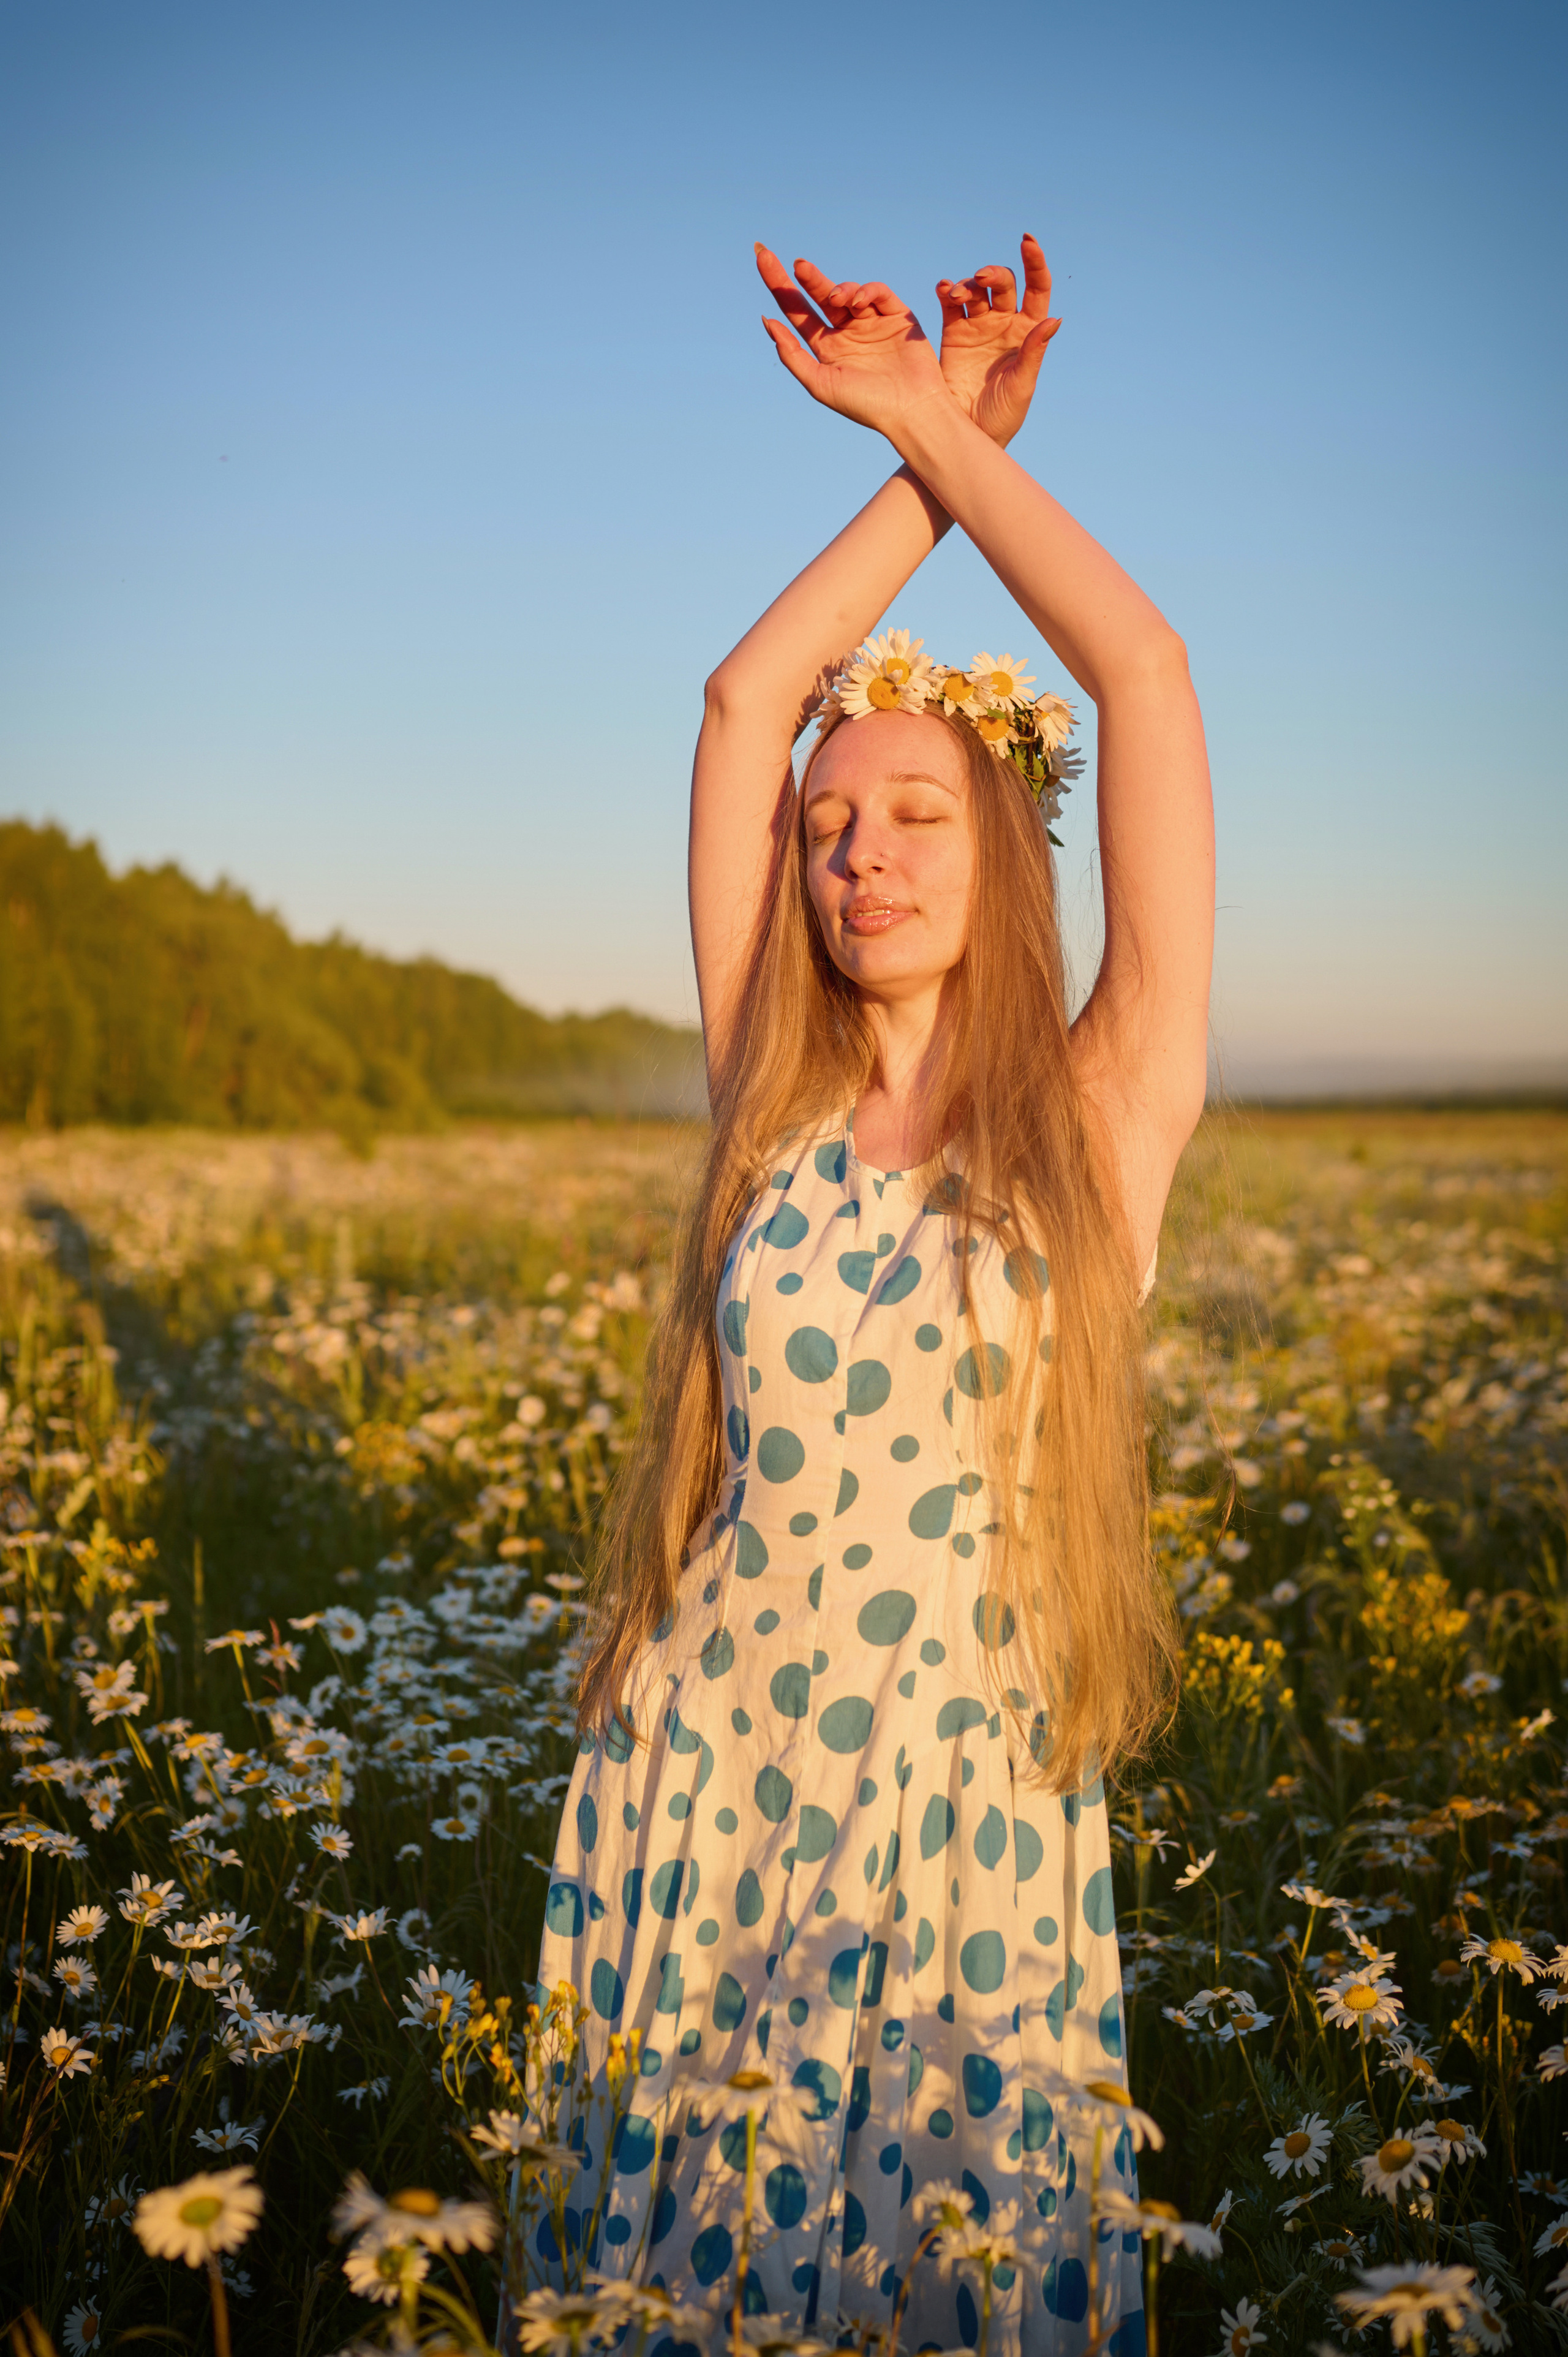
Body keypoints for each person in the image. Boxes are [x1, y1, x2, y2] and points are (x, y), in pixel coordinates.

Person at [536, 235, 1214, 2355]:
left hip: (967, 1814)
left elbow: (1150, 675)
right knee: (692, 2287)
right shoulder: (770, 1094)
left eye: (917, 814)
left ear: (1008, 845)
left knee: (957, 2287)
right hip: (704, 1779)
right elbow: (749, 702)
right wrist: (920, 464)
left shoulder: (1103, 1116)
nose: (861, 859)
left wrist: (943, 427)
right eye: (834, 833)